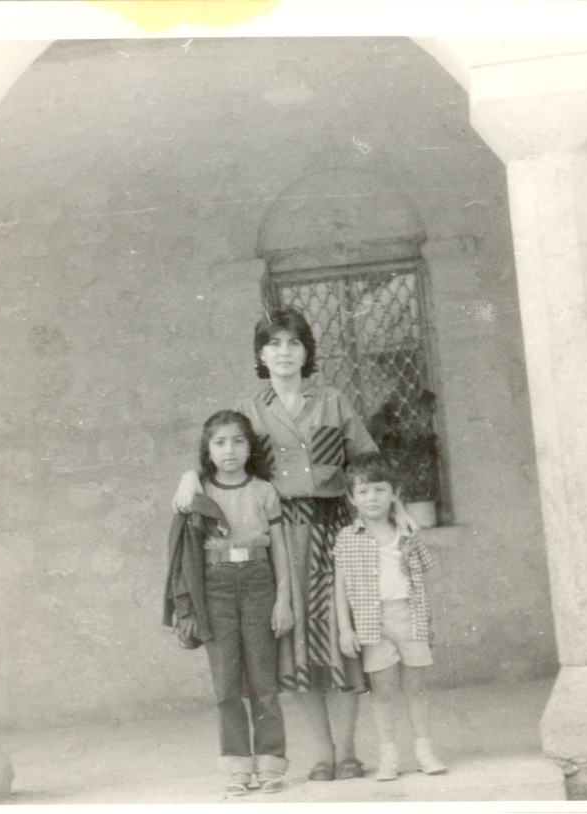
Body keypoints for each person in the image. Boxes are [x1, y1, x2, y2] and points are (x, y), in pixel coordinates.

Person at [173, 307, 414, 782]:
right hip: (282, 537)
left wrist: (398, 507)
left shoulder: (333, 400)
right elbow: (219, 460)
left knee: (339, 640)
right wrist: (188, 476)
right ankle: (321, 754)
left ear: (307, 352)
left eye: (294, 344)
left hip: (333, 529)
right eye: (274, 344)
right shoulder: (249, 409)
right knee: (295, 643)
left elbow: (368, 463)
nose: (284, 353)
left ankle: (347, 752)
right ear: (261, 354)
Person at [168, 410, 294, 796]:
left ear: (249, 447)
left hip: (259, 582)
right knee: (226, 683)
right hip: (216, 586)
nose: (230, 450)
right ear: (207, 450)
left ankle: (271, 762)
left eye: (238, 441)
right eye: (220, 442)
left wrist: (283, 600)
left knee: (262, 679)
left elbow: (280, 551)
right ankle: (237, 767)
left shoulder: (264, 491)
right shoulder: (197, 493)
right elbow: (182, 551)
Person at [333, 452, 447, 780]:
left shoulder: (407, 533)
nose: (372, 498)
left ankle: (424, 751)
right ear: (351, 498)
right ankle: (389, 755)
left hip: (409, 617)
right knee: (382, 691)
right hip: (372, 625)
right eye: (364, 491)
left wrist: (428, 620)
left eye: (380, 490)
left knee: (416, 687)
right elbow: (339, 587)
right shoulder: (347, 539)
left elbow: (423, 578)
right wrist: (344, 629)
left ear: (393, 493)